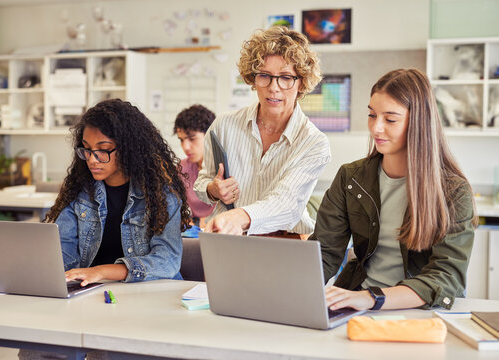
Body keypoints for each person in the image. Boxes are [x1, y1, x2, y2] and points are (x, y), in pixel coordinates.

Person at [310, 69, 478, 311]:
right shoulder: (351, 177)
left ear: (419, 122)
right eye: (371, 115)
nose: (376, 128)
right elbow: (324, 254)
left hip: (419, 312)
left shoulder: (452, 191)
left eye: (390, 119)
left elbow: (446, 276)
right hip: (357, 306)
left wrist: (372, 298)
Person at [194, 26, 331, 236]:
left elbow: (286, 203)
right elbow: (203, 182)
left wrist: (241, 216)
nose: (273, 87)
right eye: (264, 75)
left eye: (286, 77)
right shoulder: (223, 125)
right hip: (228, 239)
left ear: (301, 82)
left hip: (285, 242)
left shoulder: (314, 143)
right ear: (253, 78)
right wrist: (213, 190)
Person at [45, 98, 191, 285]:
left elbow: (167, 260)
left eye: (103, 150)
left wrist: (102, 271)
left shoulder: (161, 194)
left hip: (149, 292)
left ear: (128, 149)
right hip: (92, 292)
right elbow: (62, 250)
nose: (91, 159)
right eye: (87, 149)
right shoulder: (79, 191)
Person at [174, 104, 216, 226]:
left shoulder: (226, 167)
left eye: (192, 139)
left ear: (209, 136)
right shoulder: (181, 169)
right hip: (192, 232)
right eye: (181, 140)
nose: (185, 147)